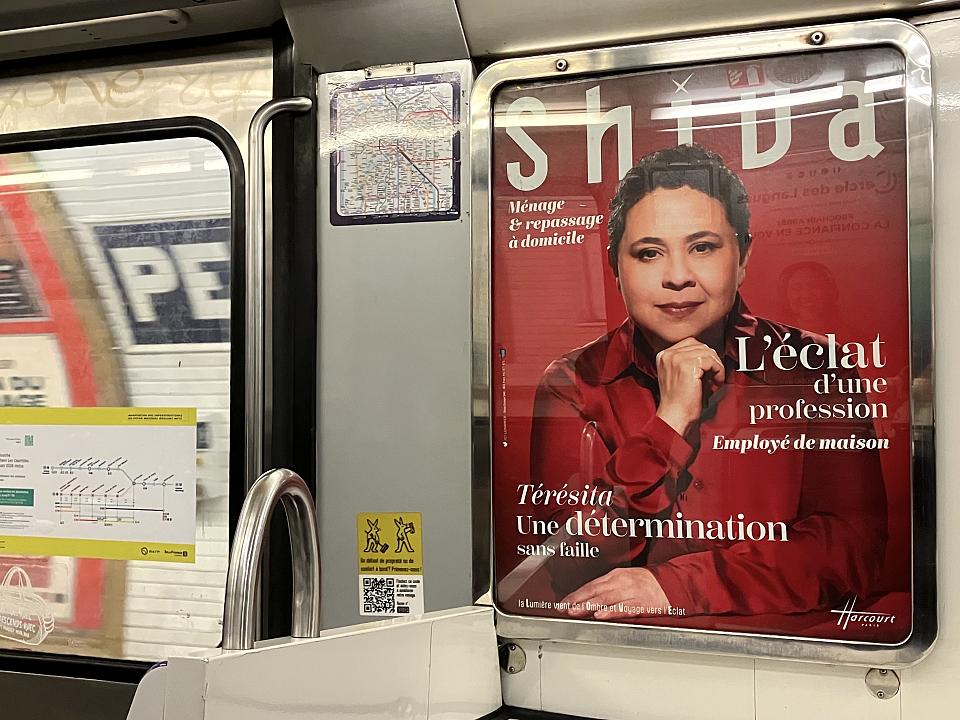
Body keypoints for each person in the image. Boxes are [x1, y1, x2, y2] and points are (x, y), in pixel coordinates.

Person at [525, 144, 888, 622]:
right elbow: (569, 560)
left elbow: (852, 549)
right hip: (618, 656)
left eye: (703, 247)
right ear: (616, 268)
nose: (678, 277)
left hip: (792, 656)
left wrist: (675, 585)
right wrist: (667, 425)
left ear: (743, 259)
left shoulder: (814, 366)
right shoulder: (573, 381)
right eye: (650, 253)